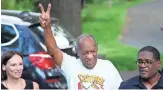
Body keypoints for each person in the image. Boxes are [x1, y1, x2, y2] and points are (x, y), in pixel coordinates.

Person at [39, 3, 122, 90]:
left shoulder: (108, 67)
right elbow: (52, 51)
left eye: (92, 51)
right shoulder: (71, 65)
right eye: (85, 53)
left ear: (97, 48)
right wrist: (47, 28)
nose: (90, 56)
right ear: (77, 52)